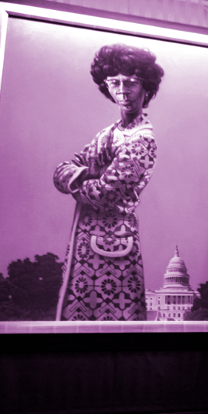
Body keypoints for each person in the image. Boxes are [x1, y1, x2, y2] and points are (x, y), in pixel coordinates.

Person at [53, 44, 163, 321]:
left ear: (146, 87)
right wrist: (86, 177)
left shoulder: (142, 140)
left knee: (115, 326)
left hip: (115, 246)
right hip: (85, 246)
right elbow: (61, 171)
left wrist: (79, 180)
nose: (122, 91)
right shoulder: (107, 134)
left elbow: (104, 194)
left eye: (131, 82)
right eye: (114, 82)